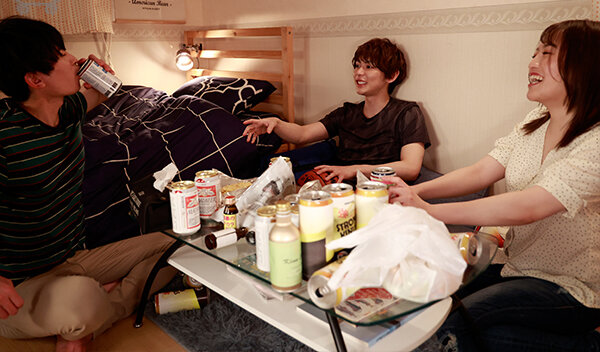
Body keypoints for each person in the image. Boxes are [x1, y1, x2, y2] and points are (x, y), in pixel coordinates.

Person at [389, 19, 600, 351]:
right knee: (436, 302)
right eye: (534, 52)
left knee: (455, 325)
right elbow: (480, 172)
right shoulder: (535, 121)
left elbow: (529, 206)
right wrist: (415, 191)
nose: (532, 62)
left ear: (585, 65)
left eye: (547, 53)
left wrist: (430, 210)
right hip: (517, 267)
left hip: (573, 287)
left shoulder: (596, 141)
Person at [0, 16, 176, 352]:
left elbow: (103, 91)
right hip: (20, 286)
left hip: (73, 258)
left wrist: (101, 76)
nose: (72, 59)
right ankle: (94, 307)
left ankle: (94, 312)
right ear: (35, 79)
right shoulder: (5, 133)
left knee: (179, 243)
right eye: (60, 55)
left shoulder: (67, 109)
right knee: (81, 301)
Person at [243, 38, 430, 185]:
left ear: (392, 75)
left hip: (377, 190)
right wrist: (276, 124)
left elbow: (411, 168)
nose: (358, 72)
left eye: (368, 67)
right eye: (357, 66)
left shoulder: (406, 113)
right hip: (338, 187)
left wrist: (353, 170)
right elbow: (302, 134)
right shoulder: (347, 113)